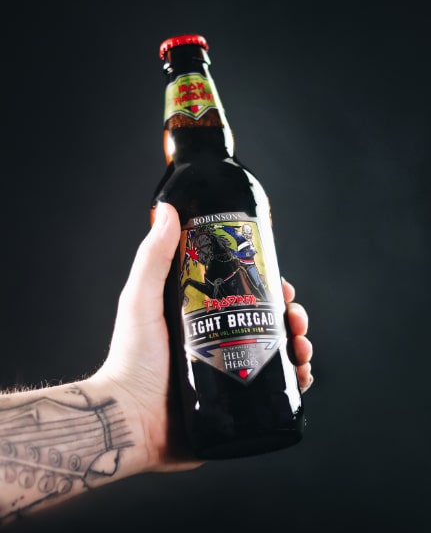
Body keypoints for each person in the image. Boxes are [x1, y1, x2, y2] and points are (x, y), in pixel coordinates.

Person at [0, 202, 313, 527]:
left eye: (204, 249)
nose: (201, 253)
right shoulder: (180, 203)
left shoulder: (232, 231)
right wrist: (133, 402)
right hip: (194, 413)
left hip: (247, 294)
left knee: (261, 281)